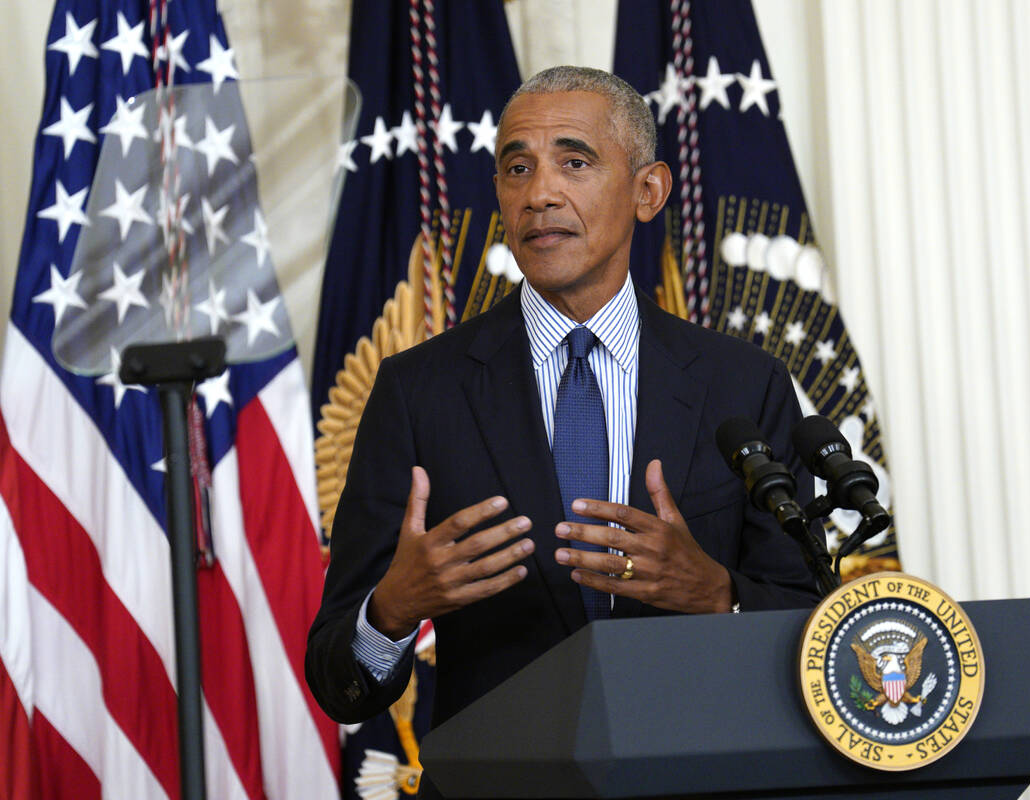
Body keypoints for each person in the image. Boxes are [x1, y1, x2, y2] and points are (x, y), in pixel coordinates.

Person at [305, 66, 820, 731]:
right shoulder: (418, 390)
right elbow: (338, 683)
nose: (540, 193)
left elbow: (815, 629)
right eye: (516, 170)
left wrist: (717, 595)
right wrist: (391, 611)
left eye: (574, 162)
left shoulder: (744, 386)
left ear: (648, 190)